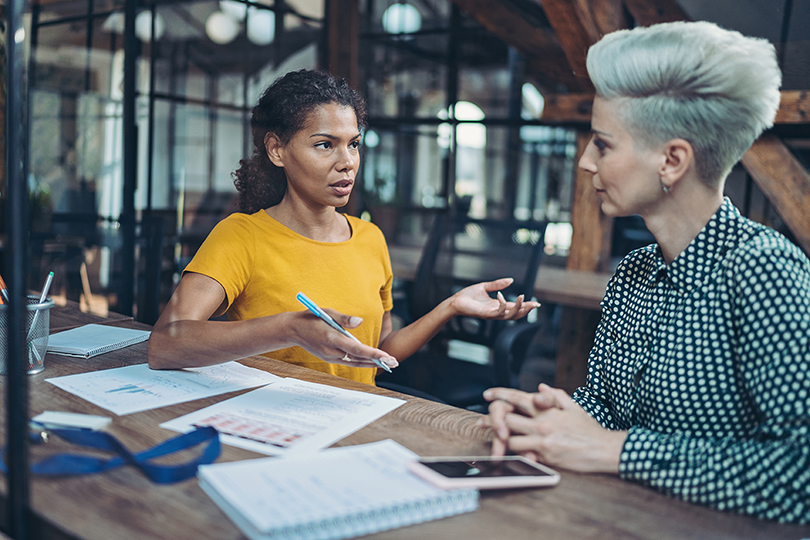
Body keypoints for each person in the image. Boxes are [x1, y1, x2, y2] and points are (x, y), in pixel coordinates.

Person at [478, 21, 810, 523]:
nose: (586, 162)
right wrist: (544, 419)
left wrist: (617, 452)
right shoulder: (634, 270)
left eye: (604, 145)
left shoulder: (764, 269)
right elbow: (606, 409)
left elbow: (799, 473)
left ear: (672, 161)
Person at [148, 69, 538, 386]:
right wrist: (287, 329)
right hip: (267, 423)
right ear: (276, 150)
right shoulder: (241, 236)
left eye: (353, 144)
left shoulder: (369, 238)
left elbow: (378, 349)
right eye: (324, 145)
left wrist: (450, 307)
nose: (347, 161)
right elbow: (165, 344)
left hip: (355, 421)